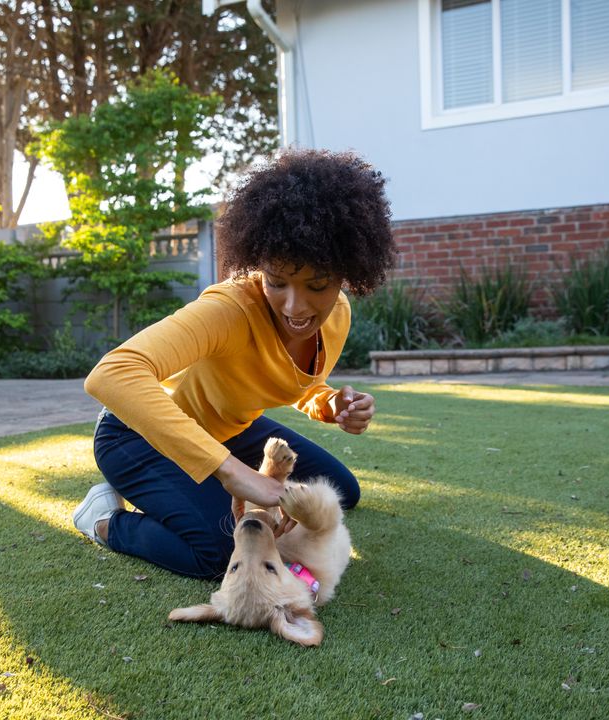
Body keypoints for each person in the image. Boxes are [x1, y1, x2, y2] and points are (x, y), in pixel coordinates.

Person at [74, 148, 397, 579]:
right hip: (135, 436)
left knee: (341, 491)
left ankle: (185, 488)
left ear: (345, 272)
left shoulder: (337, 315)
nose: (294, 306)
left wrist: (331, 404)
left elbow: (293, 382)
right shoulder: (228, 310)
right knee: (217, 551)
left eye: (316, 285)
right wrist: (230, 473)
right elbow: (113, 373)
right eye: (277, 282)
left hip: (228, 430)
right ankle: (104, 521)